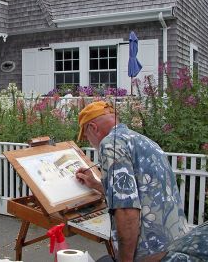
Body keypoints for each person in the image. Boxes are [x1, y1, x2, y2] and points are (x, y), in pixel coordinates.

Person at [75, 101, 189, 262]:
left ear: (93, 127)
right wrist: (96, 185)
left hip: (150, 253)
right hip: (174, 247)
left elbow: (127, 211)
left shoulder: (111, 144)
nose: (89, 142)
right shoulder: (144, 141)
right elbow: (141, 192)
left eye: (86, 136)